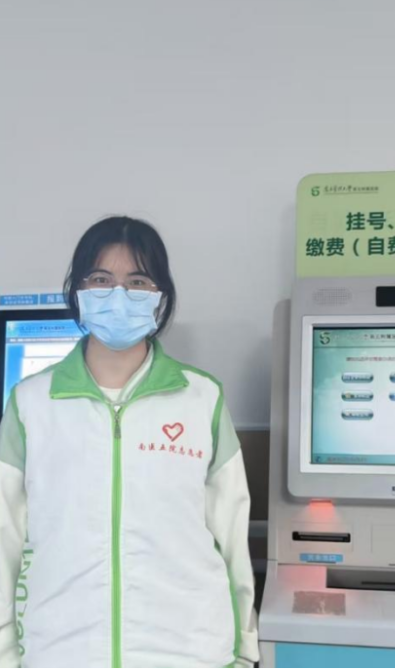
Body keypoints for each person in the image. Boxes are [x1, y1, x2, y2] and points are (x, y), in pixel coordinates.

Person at [0, 216, 259, 669]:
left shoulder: (201, 398)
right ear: (77, 290)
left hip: (191, 653)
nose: (118, 295)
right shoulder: (30, 403)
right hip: (63, 653)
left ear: (160, 295)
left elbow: (232, 536)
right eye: (101, 279)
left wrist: (245, 651)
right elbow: (6, 542)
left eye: (137, 281)